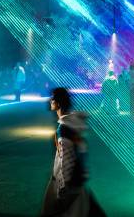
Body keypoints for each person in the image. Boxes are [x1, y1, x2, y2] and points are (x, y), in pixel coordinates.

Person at [42, 87, 104, 217]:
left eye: (52, 98)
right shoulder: (73, 126)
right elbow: (81, 153)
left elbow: (66, 160)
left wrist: (62, 193)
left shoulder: (63, 129)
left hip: (67, 187)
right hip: (77, 184)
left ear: (58, 103)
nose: (50, 101)